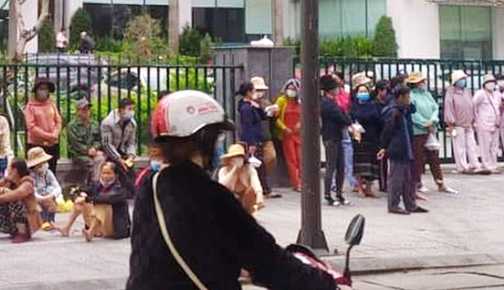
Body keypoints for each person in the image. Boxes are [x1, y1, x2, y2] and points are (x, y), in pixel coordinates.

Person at [126, 90, 343, 290]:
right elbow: (268, 260)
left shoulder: (150, 186)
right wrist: (325, 283)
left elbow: (157, 256)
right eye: (215, 138)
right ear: (204, 141)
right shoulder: (210, 197)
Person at [378, 86, 427, 215]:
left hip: (406, 147)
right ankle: (393, 205)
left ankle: (410, 204)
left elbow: (413, 109)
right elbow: (387, 131)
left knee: (407, 179)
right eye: (407, 97)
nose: (409, 99)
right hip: (397, 148)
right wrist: (383, 147)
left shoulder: (403, 109)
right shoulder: (393, 111)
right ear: (400, 97)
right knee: (396, 178)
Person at [406, 73, 455, 197]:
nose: (423, 83)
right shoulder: (411, 96)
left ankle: (440, 182)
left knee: (434, 157)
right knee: (418, 158)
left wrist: (433, 120)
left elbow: (435, 107)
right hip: (418, 130)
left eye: (423, 81)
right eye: (420, 81)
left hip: (431, 129)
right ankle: (418, 183)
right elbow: (412, 114)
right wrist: (423, 123)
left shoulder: (427, 94)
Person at [58, 159, 133, 241]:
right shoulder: (98, 185)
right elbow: (81, 190)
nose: (105, 176)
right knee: (80, 203)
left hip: (114, 227)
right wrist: (81, 195)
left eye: (108, 173)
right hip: (101, 225)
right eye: (103, 173)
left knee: (101, 204)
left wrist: (88, 199)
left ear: (115, 175)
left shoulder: (121, 187)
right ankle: (66, 227)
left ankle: (91, 232)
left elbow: (108, 199)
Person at [0, 158, 39, 244]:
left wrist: (1, 195)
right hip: (9, 221)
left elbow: (18, 194)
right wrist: (3, 183)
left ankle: (22, 233)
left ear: (15, 170)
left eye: (9, 168)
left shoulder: (27, 183)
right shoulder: (9, 181)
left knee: (15, 200)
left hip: (27, 223)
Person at [237, 78, 278, 199]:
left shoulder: (251, 106)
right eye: (254, 90)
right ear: (249, 92)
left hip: (258, 138)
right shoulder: (245, 108)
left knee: (260, 165)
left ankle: (262, 188)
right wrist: (251, 143)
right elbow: (247, 126)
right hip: (253, 140)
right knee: (255, 166)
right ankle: (260, 189)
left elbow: (263, 116)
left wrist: (258, 107)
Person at [321, 75, 352, 207]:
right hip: (330, 137)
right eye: (335, 88)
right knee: (331, 166)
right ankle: (328, 195)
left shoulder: (333, 102)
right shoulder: (327, 104)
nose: (338, 90)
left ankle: (339, 193)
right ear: (329, 90)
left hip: (337, 136)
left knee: (340, 167)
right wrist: (347, 120)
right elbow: (342, 118)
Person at [349, 79, 382, 198]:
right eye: (360, 91)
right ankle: (359, 187)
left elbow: (376, 118)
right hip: (359, 138)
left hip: (371, 138)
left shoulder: (373, 105)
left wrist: (363, 119)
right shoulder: (353, 106)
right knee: (359, 163)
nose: (363, 93)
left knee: (371, 164)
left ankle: (368, 187)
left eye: (365, 91)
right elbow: (352, 118)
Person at [24, 76, 63, 174]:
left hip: (52, 144)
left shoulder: (52, 104)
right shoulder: (30, 107)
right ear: (36, 91)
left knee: (51, 171)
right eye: (41, 89)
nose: (43, 91)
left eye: (45, 89)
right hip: (36, 144)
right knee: (36, 172)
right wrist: (48, 136)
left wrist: (55, 134)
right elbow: (31, 127)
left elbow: (58, 121)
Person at [444, 70, 480, 174]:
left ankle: (474, 164)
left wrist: (474, 119)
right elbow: (449, 108)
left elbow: (472, 106)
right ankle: (462, 166)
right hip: (457, 124)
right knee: (460, 146)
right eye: (461, 79)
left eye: (464, 79)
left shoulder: (467, 92)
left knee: (471, 144)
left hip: (468, 123)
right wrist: (451, 122)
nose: (463, 81)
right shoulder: (450, 93)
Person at [216, 143, 263, 214]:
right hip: (230, 198)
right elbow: (222, 185)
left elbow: (255, 183)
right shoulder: (224, 170)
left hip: (245, 199)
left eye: (240, 157)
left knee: (252, 191)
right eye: (235, 157)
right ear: (230, 159)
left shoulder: (249, 169)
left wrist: (259, 195)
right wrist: (234, 170)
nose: (238, 159)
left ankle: (247, 212)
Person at [273, 78, 303, 191]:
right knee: (292, 160)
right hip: (287, 134)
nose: (291, 91)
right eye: (289, 88)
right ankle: (297, 183)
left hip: (299, 133)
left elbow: (306, 115)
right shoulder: (281, 100)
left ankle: (302, 180)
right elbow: (276, 118)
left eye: (293, 89)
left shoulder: (300, 101)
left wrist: (301, 124)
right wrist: (284, 128)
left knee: (301, 159)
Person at [67, 98, 102, 186]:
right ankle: (93, 184)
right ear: (78, 111)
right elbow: (75, 144)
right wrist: (87, 151)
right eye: (83, 109)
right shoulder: (72, 126)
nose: (86, 111)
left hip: (93, 151)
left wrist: (95, 148)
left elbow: (98, 139)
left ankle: (95, 184)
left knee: (101, 159)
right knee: (91, 163)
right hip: (78, 154)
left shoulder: (94, 124)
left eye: (88, 109)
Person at [472, 74, 502, 174]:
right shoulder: (480, 94)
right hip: (483, 122)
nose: (491, 84)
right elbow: (474, 106)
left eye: (493, 82)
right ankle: (486, 164)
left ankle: (494, 164)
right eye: (488, 82)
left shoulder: (497, 94)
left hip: (495, 122)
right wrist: (475, 120)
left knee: (494, 145)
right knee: (485, 145)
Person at [27, 146, 62, 228]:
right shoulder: (31, 176)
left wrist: (52, 195)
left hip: (48, 196)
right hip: (37, 199)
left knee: (52, 200)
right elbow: (32, 191)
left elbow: (57, 187)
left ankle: (50, 220)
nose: (42, 165)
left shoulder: (48, 173)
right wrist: (42, 199)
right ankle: (41, 220)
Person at [100, 98, 137, 170]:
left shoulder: (132, 123)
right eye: (129, 109)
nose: (132, 112)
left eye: (133, 109)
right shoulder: (108, 122)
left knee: (132, 173)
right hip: (110, 154)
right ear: (121, 110)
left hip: (123, 152)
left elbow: (131, 142)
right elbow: (107, 144)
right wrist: (119, 159)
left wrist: (131, 155)